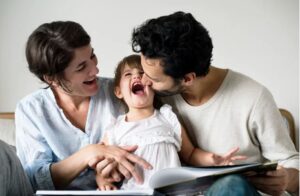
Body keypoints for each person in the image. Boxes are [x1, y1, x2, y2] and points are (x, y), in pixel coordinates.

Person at [131, 11, 299, 195]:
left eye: (153, 78)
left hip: (236, 191)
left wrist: (286, 178)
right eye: (143, 71)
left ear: (187, 79)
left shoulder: (253, 97)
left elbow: (290, 164)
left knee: (230, 185)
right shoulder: (152, 98)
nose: (144, 81)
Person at [15, 21, 152, 191]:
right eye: (81, 67)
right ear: (51, 78)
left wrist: (114, 167)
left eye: (92, 56)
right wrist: (89, 153)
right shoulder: (31, 110)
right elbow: (34, 181)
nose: (95, 70)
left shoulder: (120, 92)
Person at [96, 54, 247, 191]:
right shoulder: (115, 129)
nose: (137, 77)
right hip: (136, 192)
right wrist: (103, 182)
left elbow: (191, 154)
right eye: (128, 74)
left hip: (175, 192)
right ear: (118, 92)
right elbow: (101, 167)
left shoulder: (167, 117)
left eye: (142, 73)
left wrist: (214, 160)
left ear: (152, 84)